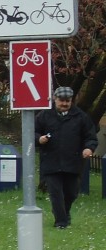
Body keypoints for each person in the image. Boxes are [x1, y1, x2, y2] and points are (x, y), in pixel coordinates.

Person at [37, 85, 98, 229]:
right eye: (61, 100)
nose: (64, 104)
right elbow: (32, 132)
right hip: (51, 162)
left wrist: (89, 148)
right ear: (54, 99)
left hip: (73, 162)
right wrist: (39, 139)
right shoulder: (44, 115)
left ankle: (63, 212)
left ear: (72, 101)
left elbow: (90, 136)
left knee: (71, 193)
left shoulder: (81, 117)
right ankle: (61, 223)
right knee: (56, 193)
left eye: (68, 101)